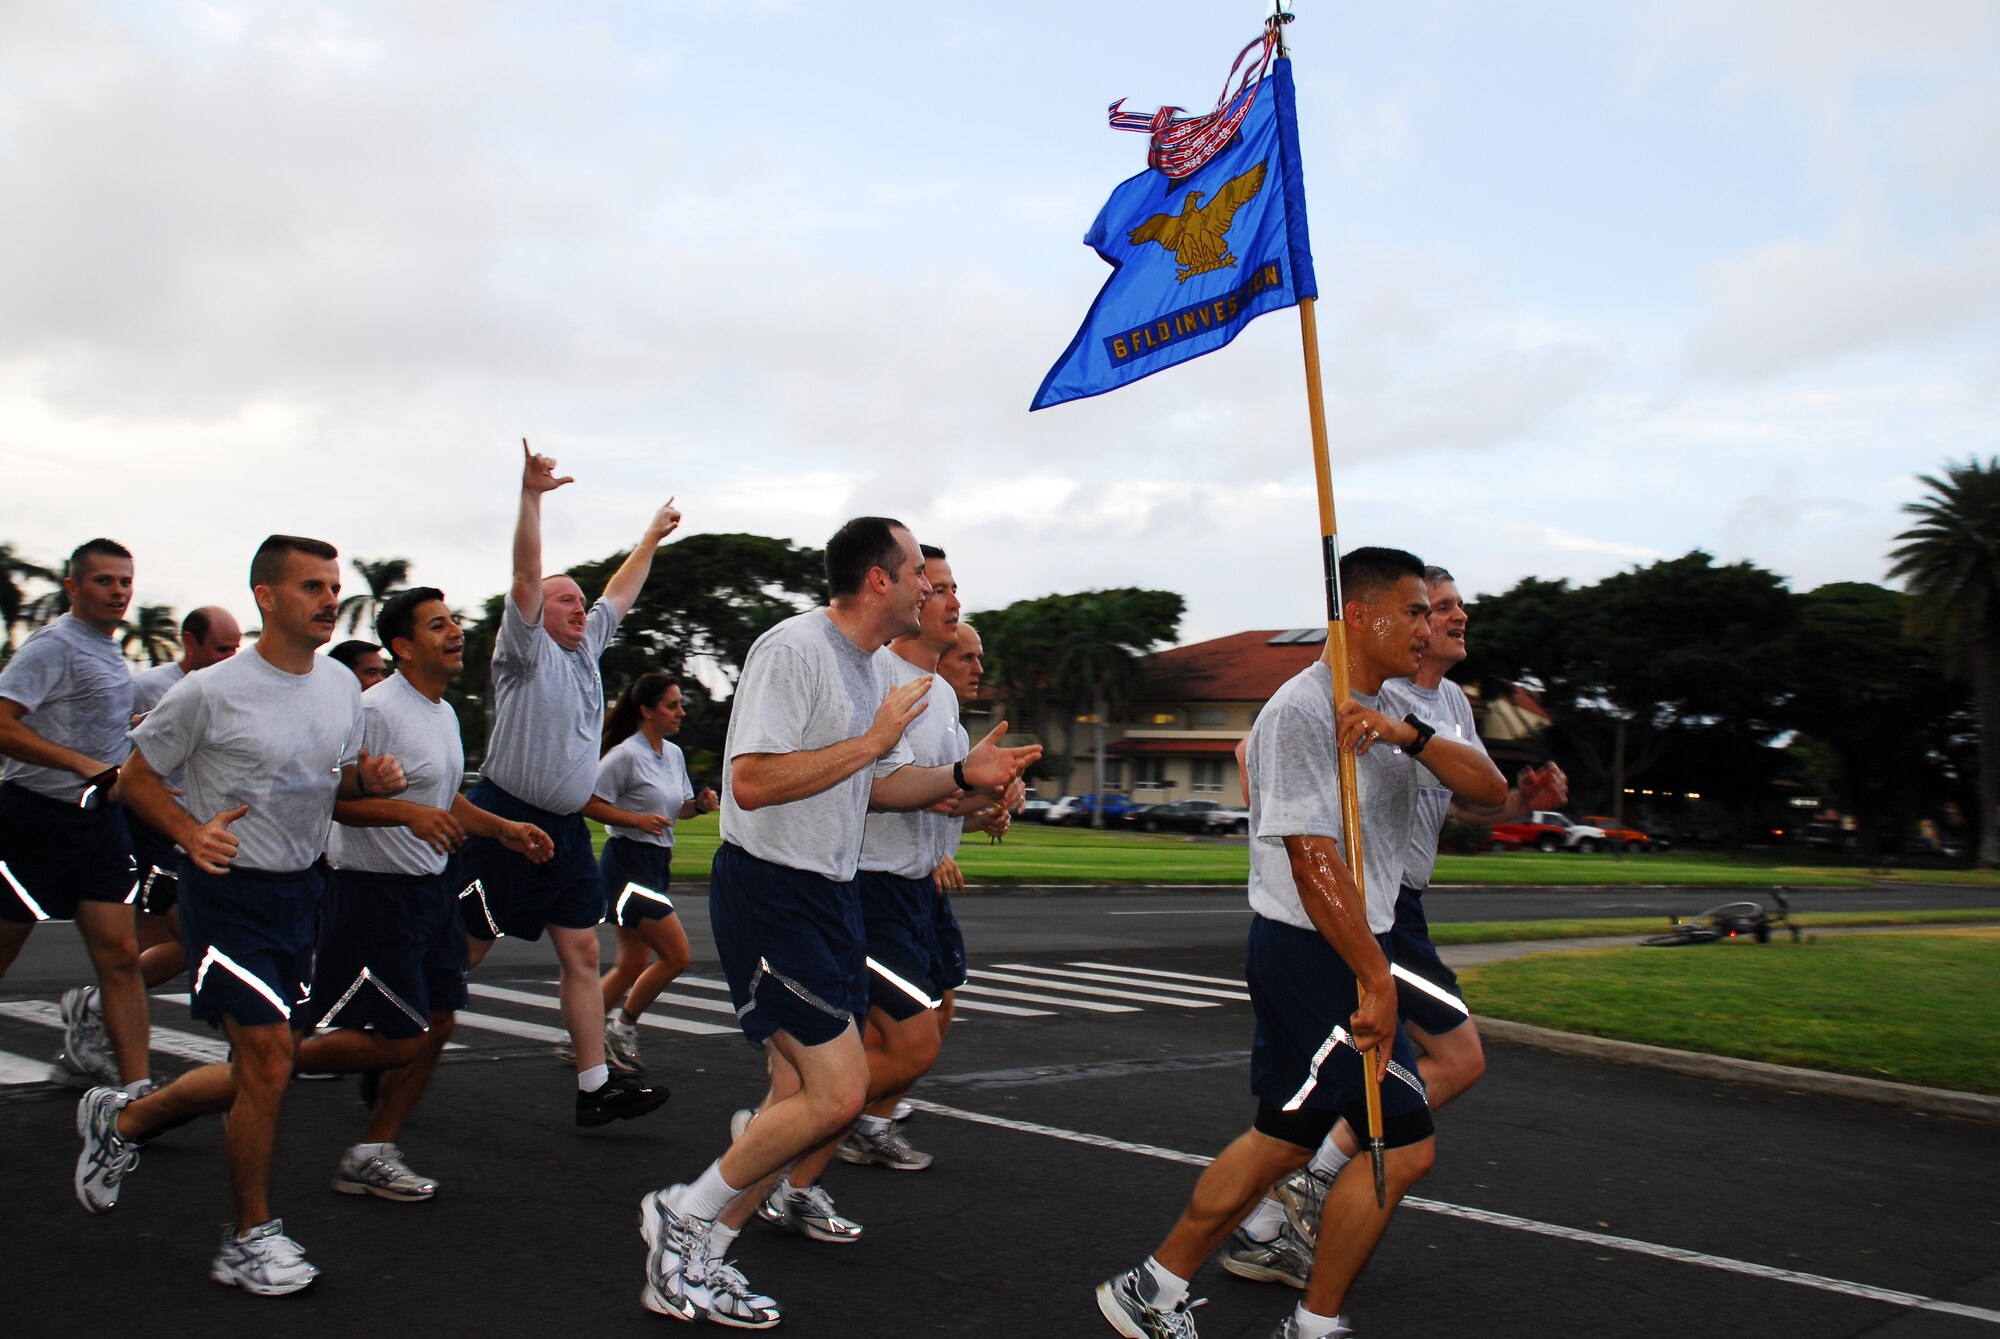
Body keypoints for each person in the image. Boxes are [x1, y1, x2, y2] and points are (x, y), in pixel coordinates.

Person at [638, 517, 1040, 1328]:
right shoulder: (795, 650)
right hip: (772, 890)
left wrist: (965, 775)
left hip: (829, 894)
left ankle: (705, 1251)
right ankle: (682, 1215)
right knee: (840, 1089)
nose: (933, 590)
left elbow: (876, 789)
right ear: (879, 581)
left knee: (799, 1092)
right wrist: (873, 741)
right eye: (920, 574)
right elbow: (750, 780)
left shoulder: (864, 671)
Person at [1096, 547, 1505, 1339]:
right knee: (1405, 1149)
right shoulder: (1301, 708)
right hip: (1320, 954)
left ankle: (1154, 1286)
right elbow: (1312, 858)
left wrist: (1406, 735)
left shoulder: (1386, 705)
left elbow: (1487, 786)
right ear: (1362, 615)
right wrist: (1376, 979)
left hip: (1340, 950)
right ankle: (1313, 1326)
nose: (1428, 626)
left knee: (1281, 1139)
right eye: (1416, 611)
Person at [74, 534, 406, 1298]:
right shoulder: (209, 690)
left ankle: (120, 1122)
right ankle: (249, 1236)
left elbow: (335, 783)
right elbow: (136, 778)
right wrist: (191, 830)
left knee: (268, 1065)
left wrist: (371, 776)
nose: (329, 599)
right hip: (228, 893)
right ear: (266, 595)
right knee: (266, 1063)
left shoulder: (335, 687)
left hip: (302, 894)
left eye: (333, 585)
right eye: (312, 586)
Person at [1265, 565, 1568, 1257]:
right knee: (1455, 1058)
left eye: (1461, 605)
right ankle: (1309, 1186)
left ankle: (1269, 1221)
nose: (1458, 617)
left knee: (1341, 1082)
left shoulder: (1454, 703)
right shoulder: (1373, 692)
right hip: (1379, 907)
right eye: (1442, 606)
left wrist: (1524, 802)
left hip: (1410, 906)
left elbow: (1472, 799)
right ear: (1409, 621)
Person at [451, 440, 678, 1127]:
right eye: (564, 600)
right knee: (467, 946)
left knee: (582, 950)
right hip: (504, 822)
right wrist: (531, 496)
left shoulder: (587, 651)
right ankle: (402, 1037)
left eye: (581, 600)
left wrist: (650, 536)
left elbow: (621, 589)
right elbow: (526, 572)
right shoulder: (522, 654)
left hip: (564, 831)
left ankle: (593, 1084)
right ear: (536, 614)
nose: (580, 607)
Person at [303, 586, 554, 1202]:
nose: (454, 632)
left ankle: (372, 1150)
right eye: (437, 625)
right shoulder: (375, 709)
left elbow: (443, 799)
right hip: (373, 893)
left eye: (454, 622)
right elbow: (333, 802)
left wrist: (503, 830)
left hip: (431, 892)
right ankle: (262, 1064)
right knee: (401, 1035)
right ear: (403, 647)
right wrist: (405, 816)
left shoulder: (441, 712)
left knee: (438, 1021)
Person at [0, 538, 151, 1092]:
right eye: (104, 581)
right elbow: (3, 723)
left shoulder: (109, 649)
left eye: (124, 582)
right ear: (73, 586)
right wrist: (82, 763)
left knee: (121, 954)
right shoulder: (53, 645)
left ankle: (137, 1096)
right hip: (34, 820)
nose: (118, 592)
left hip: (99, 825)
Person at [582, 671, 717, 1074]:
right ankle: (620, 1029)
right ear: (647, 711)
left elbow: (678, 808)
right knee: (677, 956)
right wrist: (634, 820)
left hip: (656, 864)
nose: (680, 711)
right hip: (627, 864)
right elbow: (587, 801)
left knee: (631, 964)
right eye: (671, 705)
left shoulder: (672, 755)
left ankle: (580, 1040)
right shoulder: (624, 755)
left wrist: (703, 806)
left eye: (680, 704)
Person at [120, 606, 245, 1006]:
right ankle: (95, 1006)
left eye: (236, 649)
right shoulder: (148, 687)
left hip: (204, 838)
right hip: (152, 832)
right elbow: (107, 748)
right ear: (190, 643)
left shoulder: (233, 691)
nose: (231, 658)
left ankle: (101, 1011)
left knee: (171, 946)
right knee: (198, 938)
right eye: (222, 648)